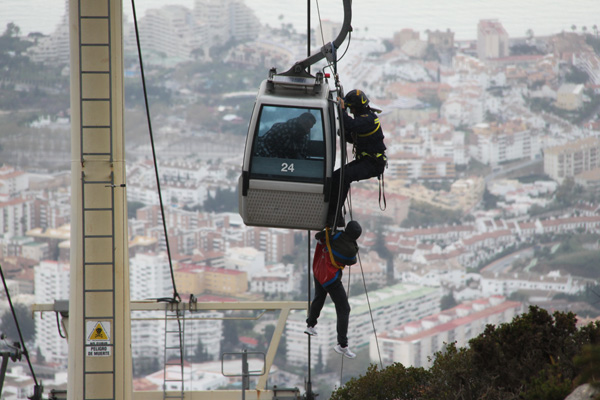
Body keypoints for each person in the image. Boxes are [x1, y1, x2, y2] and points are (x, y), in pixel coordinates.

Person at [327, 90, 386, 227]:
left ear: (357, 107)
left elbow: (350, 124)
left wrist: (341, 110)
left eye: (351, 108)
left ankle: (334, 215)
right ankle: (336, 213)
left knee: (345, 176)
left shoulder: (369, 119)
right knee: (337, 176)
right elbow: (352, 135)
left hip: (373, 163)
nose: (351, 110)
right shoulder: (363, 121)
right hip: (366, 161)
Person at [304, 220, 362, 359]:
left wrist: (332, 231)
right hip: (330, 278)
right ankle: (342, 345)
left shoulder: (333, 235)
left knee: (319, 298)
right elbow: (352, 260)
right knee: (344, 309)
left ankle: (310, 325)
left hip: (319, 271)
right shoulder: (349, 248)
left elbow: (319, 236)